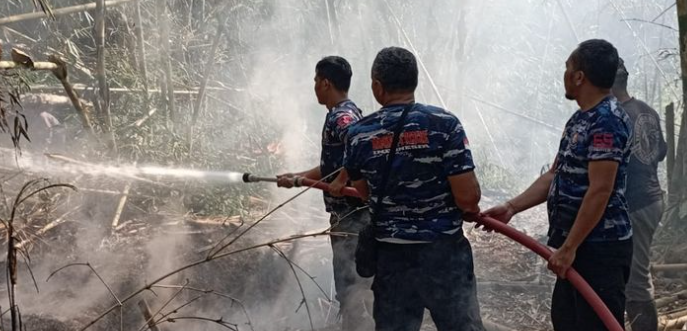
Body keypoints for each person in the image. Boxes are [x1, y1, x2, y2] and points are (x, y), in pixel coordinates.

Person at [483, 39, 633, 330]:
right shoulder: (580, 119)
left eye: (567, 67)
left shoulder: (607, 122)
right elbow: (555, 175)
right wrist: (511, 207)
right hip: (576, 248)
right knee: (566, 321)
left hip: (599, 248)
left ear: (579, 76)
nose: (564, 74)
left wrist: (569, 247)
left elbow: (600, 189)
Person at [341, 46, 484, 331]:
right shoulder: (445, 125)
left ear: (377, 86)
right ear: (414, 80)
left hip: (392, 261)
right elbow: (468, 198)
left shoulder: (359, 135)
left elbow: (366, 193)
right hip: (444, 257)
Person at [276, 56, 374, 331]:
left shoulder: (341, 116)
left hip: (351, 219)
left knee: (352, 292)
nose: (315, 86)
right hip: (353, 217)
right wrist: (298, 179)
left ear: (326, 83)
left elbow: (359, 145)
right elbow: (331, 166)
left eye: (316, 81)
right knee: (360, 290)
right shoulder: (349, 111)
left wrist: (344, 177)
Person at [612, 58, 667, 331]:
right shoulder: (646, 110)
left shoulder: (616, 116)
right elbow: (661, 152)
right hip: (652, 198)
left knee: (636, 281)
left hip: (636, 203)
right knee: (634, 273)